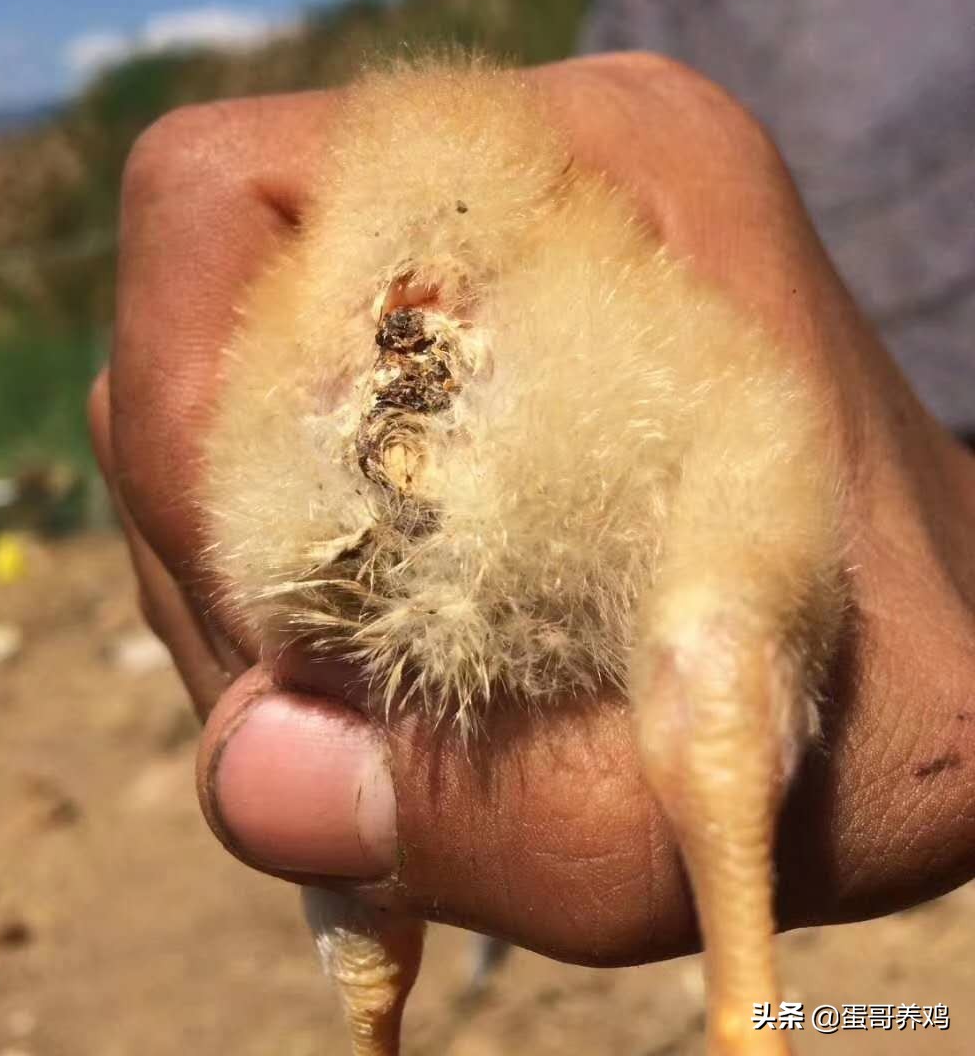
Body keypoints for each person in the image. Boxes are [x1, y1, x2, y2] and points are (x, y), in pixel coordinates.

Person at [88, 53, 975, 964]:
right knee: (722, 620)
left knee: (342, 715)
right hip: (555, 476)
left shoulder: (329, 326)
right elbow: (745, 469)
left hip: (326, 483)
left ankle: (376, 966)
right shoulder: (613, 311)